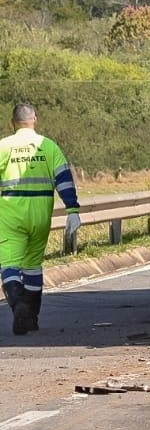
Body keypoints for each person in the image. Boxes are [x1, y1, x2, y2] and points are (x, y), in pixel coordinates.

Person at [0, 103, 81, 335]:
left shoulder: (4, 146)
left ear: (12, 122)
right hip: (40, 214)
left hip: (10, 214)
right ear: (34, 119)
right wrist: (72, 209)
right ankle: (32, 317)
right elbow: (64, 179)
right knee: (33, 266)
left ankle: (19, 307)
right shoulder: (48, 146)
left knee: (10, 265)